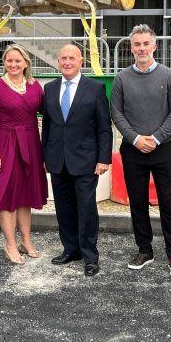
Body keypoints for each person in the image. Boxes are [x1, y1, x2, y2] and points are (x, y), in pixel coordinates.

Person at [110, 24, 171, 279]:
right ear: (131, 49)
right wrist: (134, 138)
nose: (141, 48)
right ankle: (145, 250)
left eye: (146, 44)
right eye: (137, 45)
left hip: (163, 150)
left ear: (154, 46)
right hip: (133, 151)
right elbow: (116, 113)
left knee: (167, 203)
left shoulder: (168, 76)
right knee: (138, 203)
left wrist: (154, 138)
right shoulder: (121, 78)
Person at [41, 44, 112, 277]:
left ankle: (90, 256)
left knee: (87, 209)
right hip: (57, 160)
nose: (67, 62)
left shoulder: (95, 88)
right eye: (63, 58)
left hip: (86, 160)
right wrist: (45, 156)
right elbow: (48, 127)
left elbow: (104, 128)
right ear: (58, 61)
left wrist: (104, 159)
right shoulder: (50, 89)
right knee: (63, 207)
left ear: (81, 61)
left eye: (72, 58)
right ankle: (70, 249)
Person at [0, 44, 47, 265]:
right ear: (4, 63)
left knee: (26, 195)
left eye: (18, 61)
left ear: (26, 63)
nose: (13, 64)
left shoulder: (35, 86)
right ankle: (10, 243)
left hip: (30, 144)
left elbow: (49, 114)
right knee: (7, 195)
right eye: (9, 61)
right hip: (5, 143)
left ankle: (26, 241)